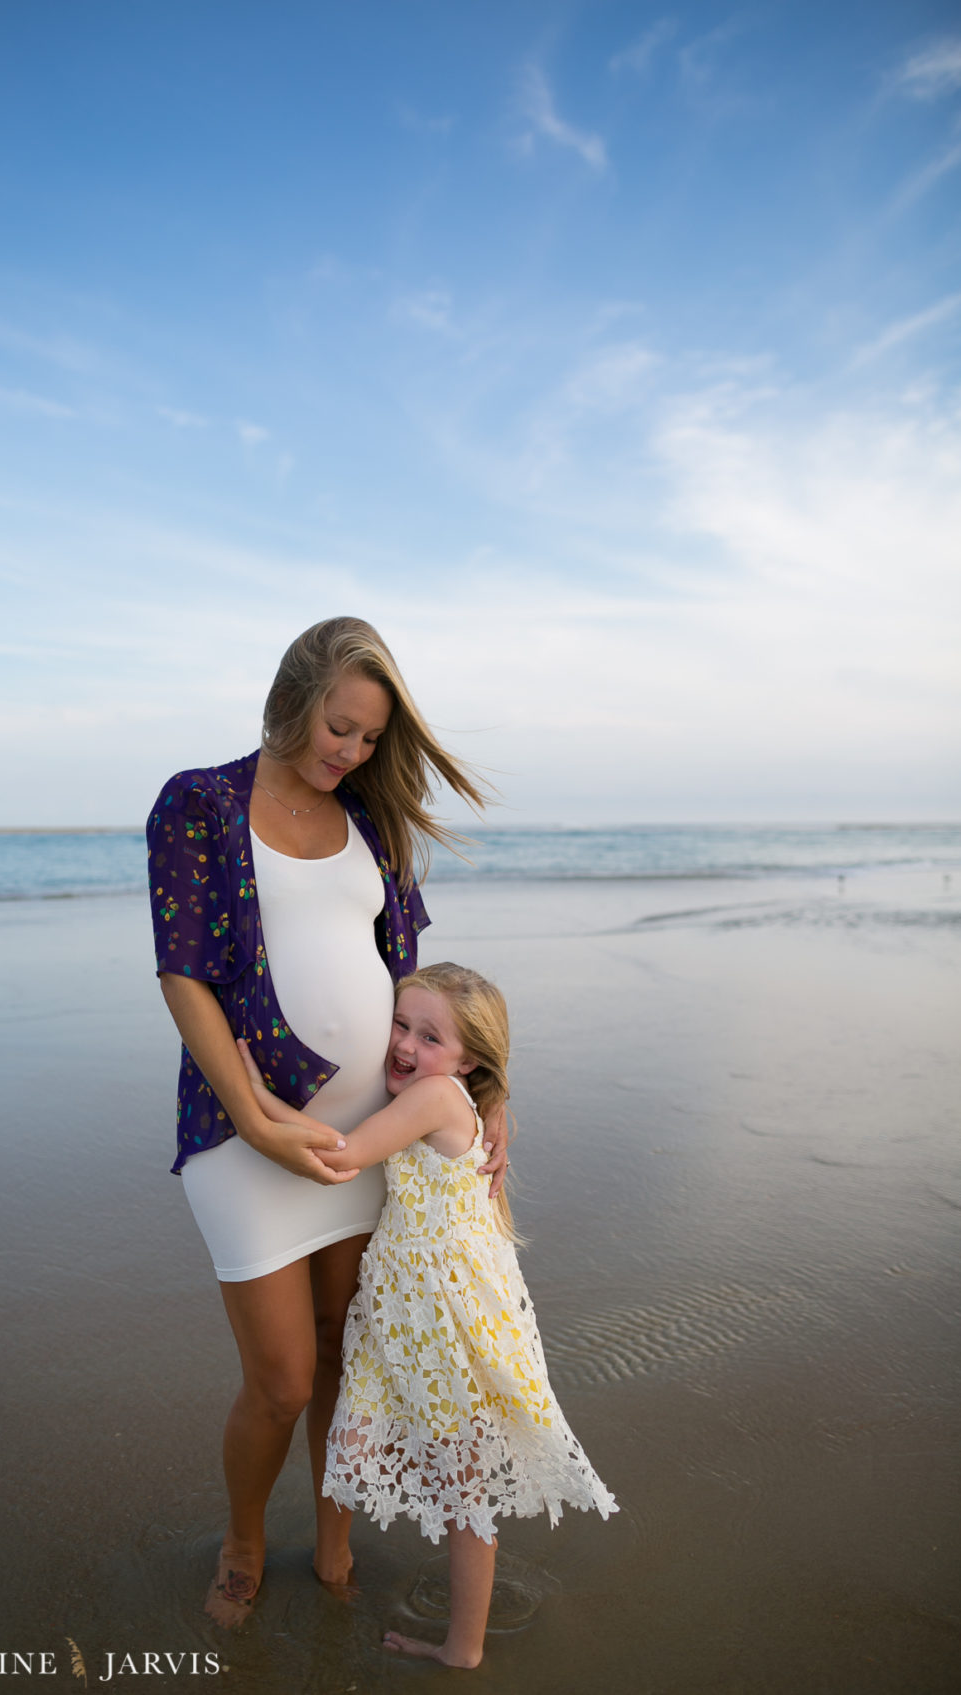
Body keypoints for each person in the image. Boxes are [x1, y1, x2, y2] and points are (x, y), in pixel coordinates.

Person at [145, 617, 504, 1627]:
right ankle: (245, 1536)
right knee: (282, 1379)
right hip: (244, 1133)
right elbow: (183, 974)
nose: (348, 752)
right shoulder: (200, 802)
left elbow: (417, 977)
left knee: (347, 1352)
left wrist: (487, 1088)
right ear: (292, 699)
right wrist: (254, 1122)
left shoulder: (371, 822)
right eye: (337, 728)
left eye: (367, 740)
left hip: (367, 1133)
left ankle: (334, 1534)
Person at [237, 961, 619, 1669]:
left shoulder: (436, 1096)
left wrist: (253, 1097)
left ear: (468, 1058)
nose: (405, 1044)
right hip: (431, 1307)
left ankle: (461, 1647)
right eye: (401, 1024)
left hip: (443, 1319)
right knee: (456, 1480)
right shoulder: (450, 1094)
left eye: (430, 1035)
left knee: (462, 1486)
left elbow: (344, 1153)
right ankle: (451, 1633)